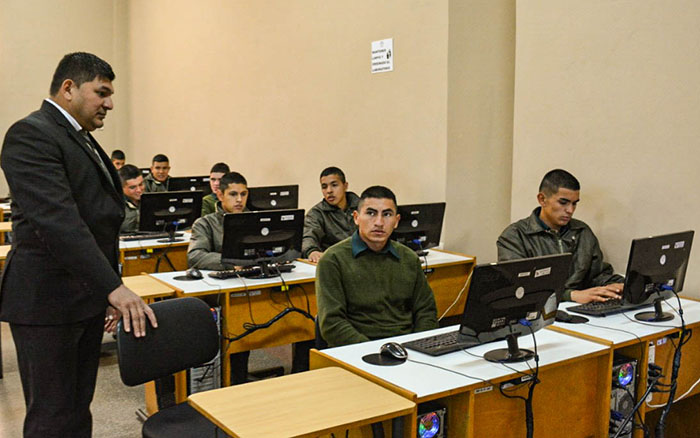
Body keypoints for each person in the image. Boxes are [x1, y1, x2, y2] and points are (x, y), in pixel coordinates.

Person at [0, 52, 157, 438]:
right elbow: (60, 224)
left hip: (81, 298)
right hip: (47, 302)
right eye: (101, 92)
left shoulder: (80, 138)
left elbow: (100, 218)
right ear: (69, 88)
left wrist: (103, 290)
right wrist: (113, 287)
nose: (110, 103)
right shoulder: (31, 134)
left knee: (76, 410)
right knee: (52, 417)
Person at [316, 185, 438, 348]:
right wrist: (376, 351)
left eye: (387, 214)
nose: (379, 222)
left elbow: (426, 312)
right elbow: (332, 325)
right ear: (356, 217)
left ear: (396, 221)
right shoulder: (332, 260)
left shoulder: (409, 258)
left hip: (406, 349)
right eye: (371, 213)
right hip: (357, 352)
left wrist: (418, 347)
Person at [497, 168, 624, 304]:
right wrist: (570, 295)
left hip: (581, 312)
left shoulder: (582, 231)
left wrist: (618, 286)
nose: (570, 210)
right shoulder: (515, 236)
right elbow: (519, 290)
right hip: (538, 316)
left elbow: (597, 275)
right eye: (563, 202)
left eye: (574, 203)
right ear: (542, 199)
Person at [187, 171, 248, 271]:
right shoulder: (204, 224)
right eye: (233, 194)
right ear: (220, 195)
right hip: (223, 280)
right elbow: (195, 256)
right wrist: (232, 262)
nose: (239, 199)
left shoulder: (256, 221)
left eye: (243, 194)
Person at [302, 166, 360, 263]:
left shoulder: (362, 207)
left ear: (345, 186)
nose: (329, 191)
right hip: (336, 263)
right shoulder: (317, 213)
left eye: (334, 185)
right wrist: (312, 251)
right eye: (324, 187)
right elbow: (308, 236)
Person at [118, 164, 145, 233]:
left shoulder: (151, 200)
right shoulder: (115, 205)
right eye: (133, 187)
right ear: (121, 188)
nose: (139, 190)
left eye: (141, 184)